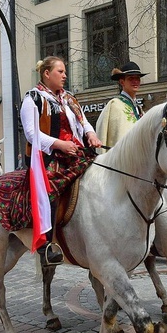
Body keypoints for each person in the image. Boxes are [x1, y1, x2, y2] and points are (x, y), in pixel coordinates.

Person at [20, 56, 102, 266]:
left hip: (77, 152)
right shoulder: (33, 99)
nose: (65, 76)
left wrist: (91, 135)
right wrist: (59, 144)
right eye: (60, 72)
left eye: (65, 72)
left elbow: (84, 122)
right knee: (49, 188)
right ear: (47, 74)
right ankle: (46, 245)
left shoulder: (70, 98)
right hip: (50, 156)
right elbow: (31, 134)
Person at [95, 61, 148, 149]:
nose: (135, 81)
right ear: (122, 82)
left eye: (137, 78)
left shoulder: (139, 108)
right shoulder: (115, 105)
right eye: (131, 78)